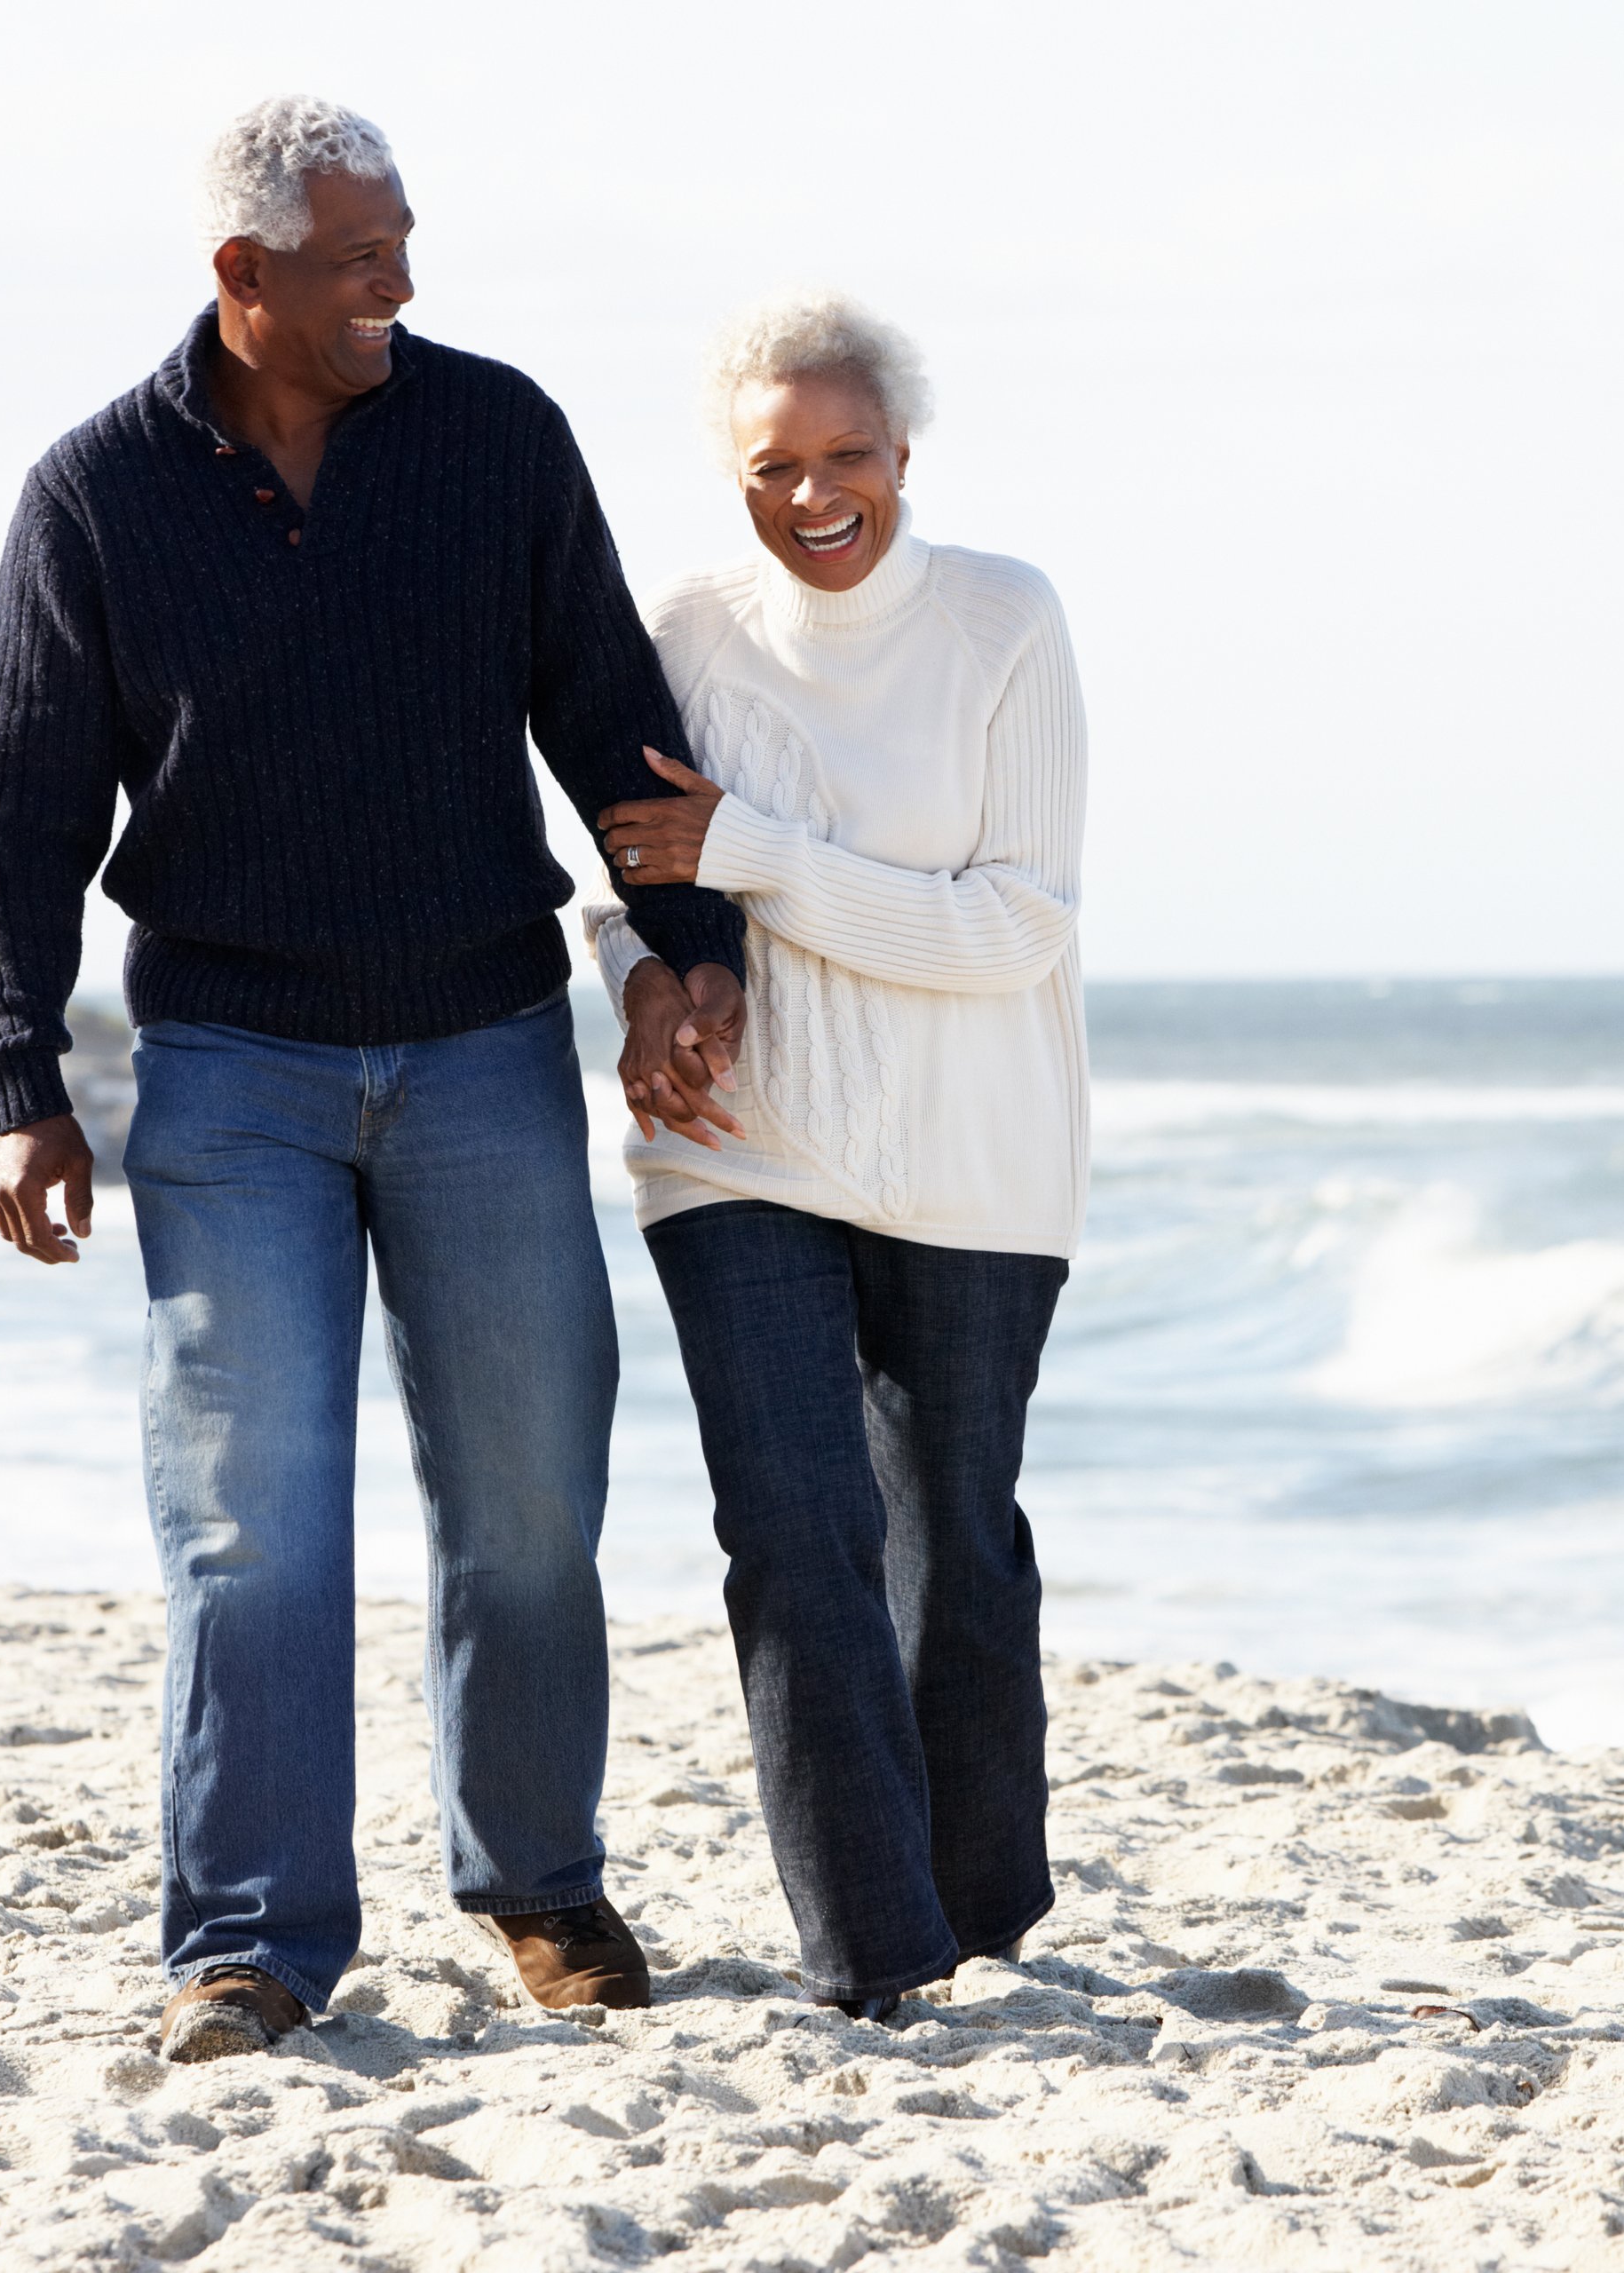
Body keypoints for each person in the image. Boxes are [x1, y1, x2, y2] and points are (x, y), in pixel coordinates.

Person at [0, 98, 749, 2061]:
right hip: (229, 1065)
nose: (400, 285)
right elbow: (26, 801)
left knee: (526, 1495)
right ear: (243, 276)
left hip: (484, 1040)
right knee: (252, 1517)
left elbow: (606, 711)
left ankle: (537, 1875)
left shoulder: (495, 437)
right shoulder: (96, 494)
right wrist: (19, 1074)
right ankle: (249, 1938)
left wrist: (689, 951)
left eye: (404, 242)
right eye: (358, 258)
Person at [584, 292, 1089, 2021]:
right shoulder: (683, 629)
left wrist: (764, 855)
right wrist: (651, 979)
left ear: (903, 454)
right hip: (746, 1143)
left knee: (949, 1541)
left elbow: (1016, 924)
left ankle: (980, 1909)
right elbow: (624, 876)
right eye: (774, 465)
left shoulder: (1003, 620)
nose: (813, 495)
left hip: (976, 1153)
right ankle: (874, 1954)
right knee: (793, 1531)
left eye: (847, 456)